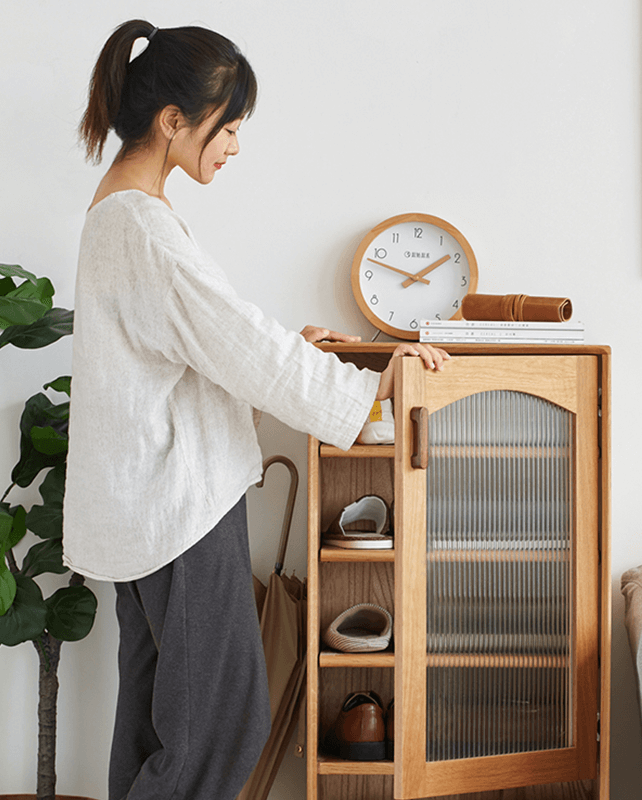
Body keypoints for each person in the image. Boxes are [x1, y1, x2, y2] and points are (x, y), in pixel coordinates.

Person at [62, 19, 449, 800]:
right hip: (179, 515)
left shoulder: (117, 215)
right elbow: (234, 338)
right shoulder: (144, 227)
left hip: (141, 513)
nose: (236, 146)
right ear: (174, 121)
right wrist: (372, 384)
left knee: (157, 730)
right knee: (221, 729)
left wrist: (298, 349)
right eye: (229, 127)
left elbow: (196, 346)